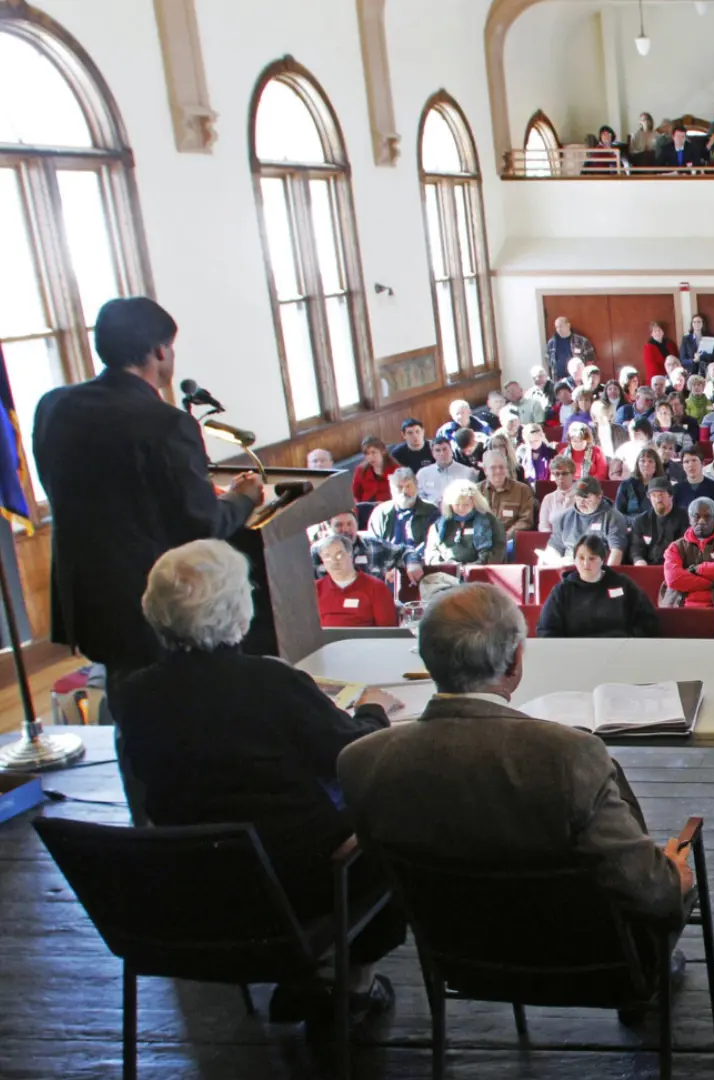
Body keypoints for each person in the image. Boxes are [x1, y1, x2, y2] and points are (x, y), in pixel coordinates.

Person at [119, 540, 405, 1019]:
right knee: (390, 823)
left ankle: (301, 980)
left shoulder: (134, 695)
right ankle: (355, 985)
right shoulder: (269, 683)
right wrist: (373, 710)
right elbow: (352, 753)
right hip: (301, 883)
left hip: (192, 889)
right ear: (237, 608)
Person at [339, 584, 694, 961]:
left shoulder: (360, 761)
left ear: (428, 660)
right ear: (514, 663)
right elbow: (654, 894)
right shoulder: (572, 755)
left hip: (458, 960)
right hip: (587, 963)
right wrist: (672, 876)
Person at [32, 298, 265, 726]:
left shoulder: (54, 406)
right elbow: (202, 524)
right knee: (176, 719)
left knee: (128, 711)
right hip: (154, 602)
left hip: (88, 597)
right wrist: (243, 498)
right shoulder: (165, 423)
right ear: (160, 351)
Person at [536, 532, 659, 638]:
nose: (586, 564)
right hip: (576, 652)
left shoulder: (623, 584)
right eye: (581, 558)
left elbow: (647, 620)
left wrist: (628, 641)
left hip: (619, 650)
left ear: (602, 560)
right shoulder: (562, 590)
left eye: (592, 558)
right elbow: (546, 628)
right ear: (574, 560)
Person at [663, 497, 714, 608]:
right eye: (696, 516)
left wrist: (697, 569)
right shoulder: (675, 547)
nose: (701, 521)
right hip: (683, 605)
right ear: (690, 519)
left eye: (707, 517)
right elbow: (674, 579)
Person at [314, 533, 400, 629]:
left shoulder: (376, 588)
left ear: (350, 555)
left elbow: (387, 632)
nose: (334, 561)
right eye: (327, 556)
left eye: (339, 555)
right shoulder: (314, 589)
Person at [544, 477, 630, 565]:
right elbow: (553, 547)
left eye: (586, 497)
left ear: (599, 496)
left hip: (598, 566)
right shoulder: (563, 518)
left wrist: (608, 572)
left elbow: (616, 551)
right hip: (569, 564)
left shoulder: (613, 518)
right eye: (578, 496)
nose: (581, 501)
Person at [368, 467, 440, 557]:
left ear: (416, 487)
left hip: (420, 561)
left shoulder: (431, 511)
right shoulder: (380, 513)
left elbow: (433, 545)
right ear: (392, 490)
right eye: (399, 487)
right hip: (389, 561)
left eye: (408, 486)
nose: (404, 491)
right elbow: (374, 545)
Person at [427, 480, 497, 566]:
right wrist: (442, 565)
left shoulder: (489, 521)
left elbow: (497, 550)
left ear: (474, 503)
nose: (461, 508)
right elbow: (431, 551)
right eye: (457, 504)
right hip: (447, 569)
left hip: (478, 569)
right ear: (450, 504)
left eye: (466, 505)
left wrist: (474, 566)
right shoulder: (439, 525)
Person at [545, 315, 595, 382]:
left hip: (578, 379)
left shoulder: (581, 341)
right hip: (559, 380)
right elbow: (548, 360)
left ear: (568, 325)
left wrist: (586, 375)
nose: (559, 329)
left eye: (561, 326)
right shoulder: (551, 343)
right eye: (557, 327)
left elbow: (590, 358)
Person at [351, 436, 396, 504]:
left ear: (383, 451)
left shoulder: (396, 470)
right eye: (367, 454)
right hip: (366, 507)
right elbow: (355, 495)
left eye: (373, 452)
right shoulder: (360, 470)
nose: (370, 457)